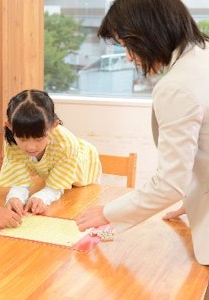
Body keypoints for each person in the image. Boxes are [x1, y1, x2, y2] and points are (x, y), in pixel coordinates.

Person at [76, 0, 209, 265]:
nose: (128, 56)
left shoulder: (177, 86)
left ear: (148, 31)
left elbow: (169, 183)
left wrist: (108, 213)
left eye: (126, 44)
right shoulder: (202, 57)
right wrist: (195, 200)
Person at [0, 89, 102, 215]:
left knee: (81, 209)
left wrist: (41, 197)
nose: (31, 147)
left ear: (54, 126)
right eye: (23, 139)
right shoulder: (12, 142)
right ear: (10, 127)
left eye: (39, 138)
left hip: (85, 172)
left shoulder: (65, 144)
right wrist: (14, 198)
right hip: (53, 172)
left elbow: (55, 186)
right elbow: (19, 180)